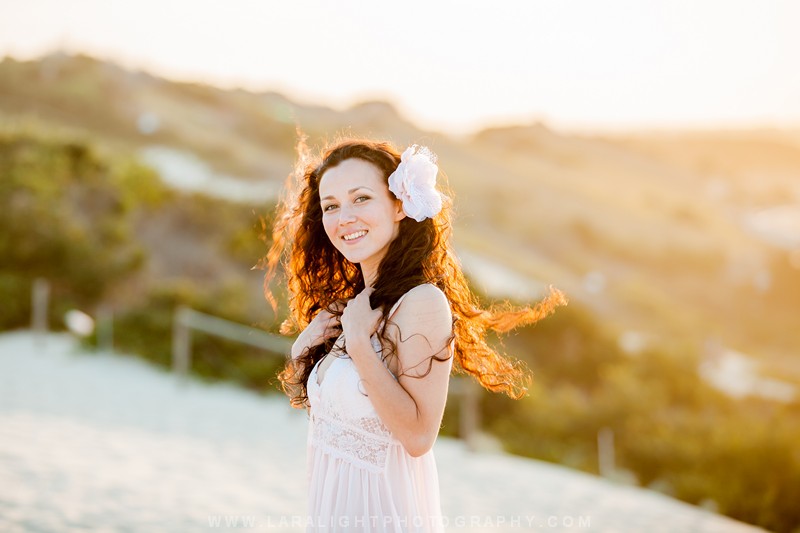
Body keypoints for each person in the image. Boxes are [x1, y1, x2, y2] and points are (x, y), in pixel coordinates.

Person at [262, 137, 566, 532]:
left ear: (400, 205)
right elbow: (335, 419)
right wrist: (304, 348)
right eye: (331, 206)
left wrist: (357, 345)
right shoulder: (359, 307)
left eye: (361, 198)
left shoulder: (421, 303)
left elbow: (419, 436)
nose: (344, 217)